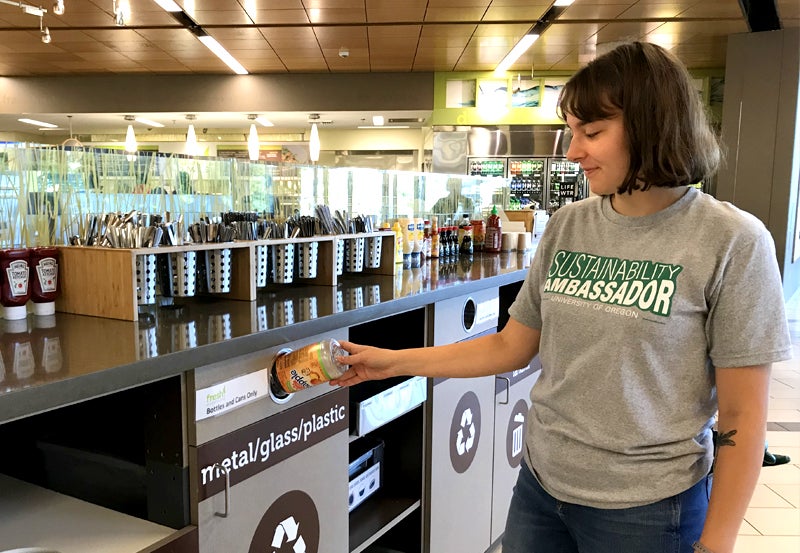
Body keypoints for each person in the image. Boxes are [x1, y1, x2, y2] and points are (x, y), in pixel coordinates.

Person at [331, 41, 793, 553]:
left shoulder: (732, 241)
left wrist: (717, 545)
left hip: (650, 510)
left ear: (654, 126)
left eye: (592, 133)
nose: (574, 153)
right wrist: (394, 362)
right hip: (540, 489)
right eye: (572, 132)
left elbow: (743, 417)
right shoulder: (569, 225)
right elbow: (509, 347)